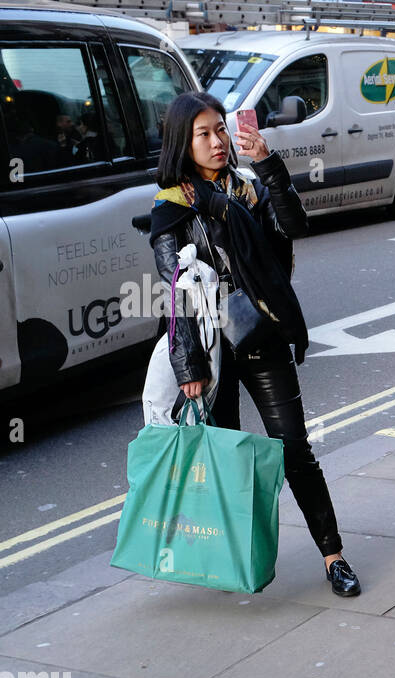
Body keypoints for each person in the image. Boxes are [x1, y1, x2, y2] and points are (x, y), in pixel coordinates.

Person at [149, 91, 361, 598]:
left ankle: (333, 555)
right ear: (184, 141)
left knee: (294, 450)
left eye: (220, 129)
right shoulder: (171, 207)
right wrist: (188, 366)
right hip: (211, 347)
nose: (217, 140)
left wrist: (269, 166)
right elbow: (174, 290)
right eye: (203, 133)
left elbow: (295, 225)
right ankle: (233, 557)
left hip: (261, 334)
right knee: (227, 457)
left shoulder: (249, 188)